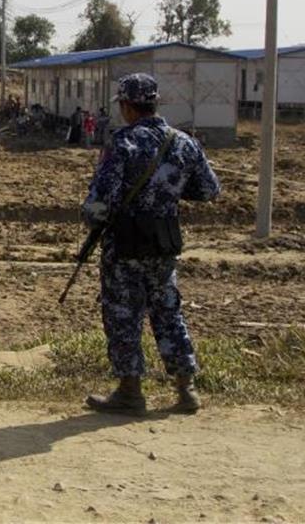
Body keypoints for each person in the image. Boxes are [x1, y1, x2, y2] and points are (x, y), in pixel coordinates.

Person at [81, 73, 221, 415]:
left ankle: (130, 391)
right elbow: (208, 190)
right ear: (154, 103)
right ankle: (186, 389)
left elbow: (100, 201)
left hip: (125, 245)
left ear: (128, 106)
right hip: (163, 242)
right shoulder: (184, 143)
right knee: (168, 311)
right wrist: (167, 191)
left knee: (123, 315)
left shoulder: (123, 143)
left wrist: (92, 218)